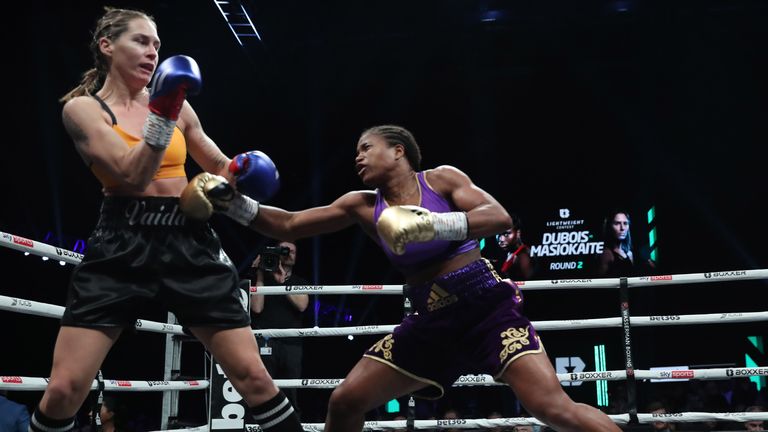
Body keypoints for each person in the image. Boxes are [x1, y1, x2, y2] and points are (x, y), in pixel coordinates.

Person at [180, 124, 622, 431]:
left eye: (365, 147)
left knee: (553, 408)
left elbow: (498, 216)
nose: (357, 157)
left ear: (398, 151)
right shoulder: (361, 204)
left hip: (487, 309)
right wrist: (232, 204)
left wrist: (434, 224)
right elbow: (289, 224)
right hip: (429, 322)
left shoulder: (442, 179)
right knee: (345, 401)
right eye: (355, 151)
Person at [30, 7, 300, 432]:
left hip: (188, 236)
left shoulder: (180, 107)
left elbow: (215, 163)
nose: (152, 52)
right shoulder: (83, 109)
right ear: (107, 46)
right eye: (140, 41)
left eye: (157, 44)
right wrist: (164, 109)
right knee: (64, 388)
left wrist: (244, 168)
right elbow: (130, 173)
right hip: (122, 238)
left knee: (254, 378)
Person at [246, 239, 310, 415]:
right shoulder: (262, 281)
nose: (288, 253)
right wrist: (259, 275)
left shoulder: (299, 281)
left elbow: (302, 305)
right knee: (263, 391)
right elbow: (256, 308)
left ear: (296, 258)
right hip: (265, 342)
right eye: (284, 250)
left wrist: (282, 283)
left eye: (292, 251)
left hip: (291, 344)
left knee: (290, 392)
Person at [495, 215, 533, 281]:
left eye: (506, 234)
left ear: (518, 233)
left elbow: (527, 283)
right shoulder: (510, 254)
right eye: (498, 234)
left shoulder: (522, 255)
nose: (501, 239)